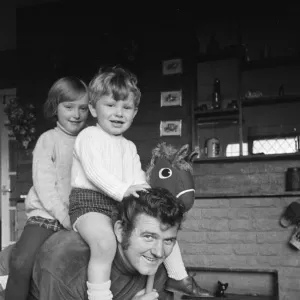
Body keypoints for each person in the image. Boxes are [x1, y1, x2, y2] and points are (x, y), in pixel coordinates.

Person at [68, 66, 210, 300]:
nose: (119, 113)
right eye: (110, 105)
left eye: (126, 107)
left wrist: (153, 199)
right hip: (89, 205)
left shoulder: (129, 147)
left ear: (134, 113)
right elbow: (95, 172)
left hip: (122, 202)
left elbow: (137, 179)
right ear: (93, 108)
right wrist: (123, 190)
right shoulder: (88, 136)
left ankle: (179, 276)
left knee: (162, 229)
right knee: (104, 242)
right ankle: (100, 295)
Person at [4, 76, 90, 300]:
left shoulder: (91, 141)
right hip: (46, 218)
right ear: (55, 107)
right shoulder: (48, 140)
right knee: (21, 262)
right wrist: (64, 216)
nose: (76, 114)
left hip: (81, 218)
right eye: (69, 107)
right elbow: (45, 186)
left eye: (83, 108)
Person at [28, 187, 185, 300]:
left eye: (168, 240)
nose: (159, 252)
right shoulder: (67, 263)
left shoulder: (157, 270)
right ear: (120, 231)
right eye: (149, 237)